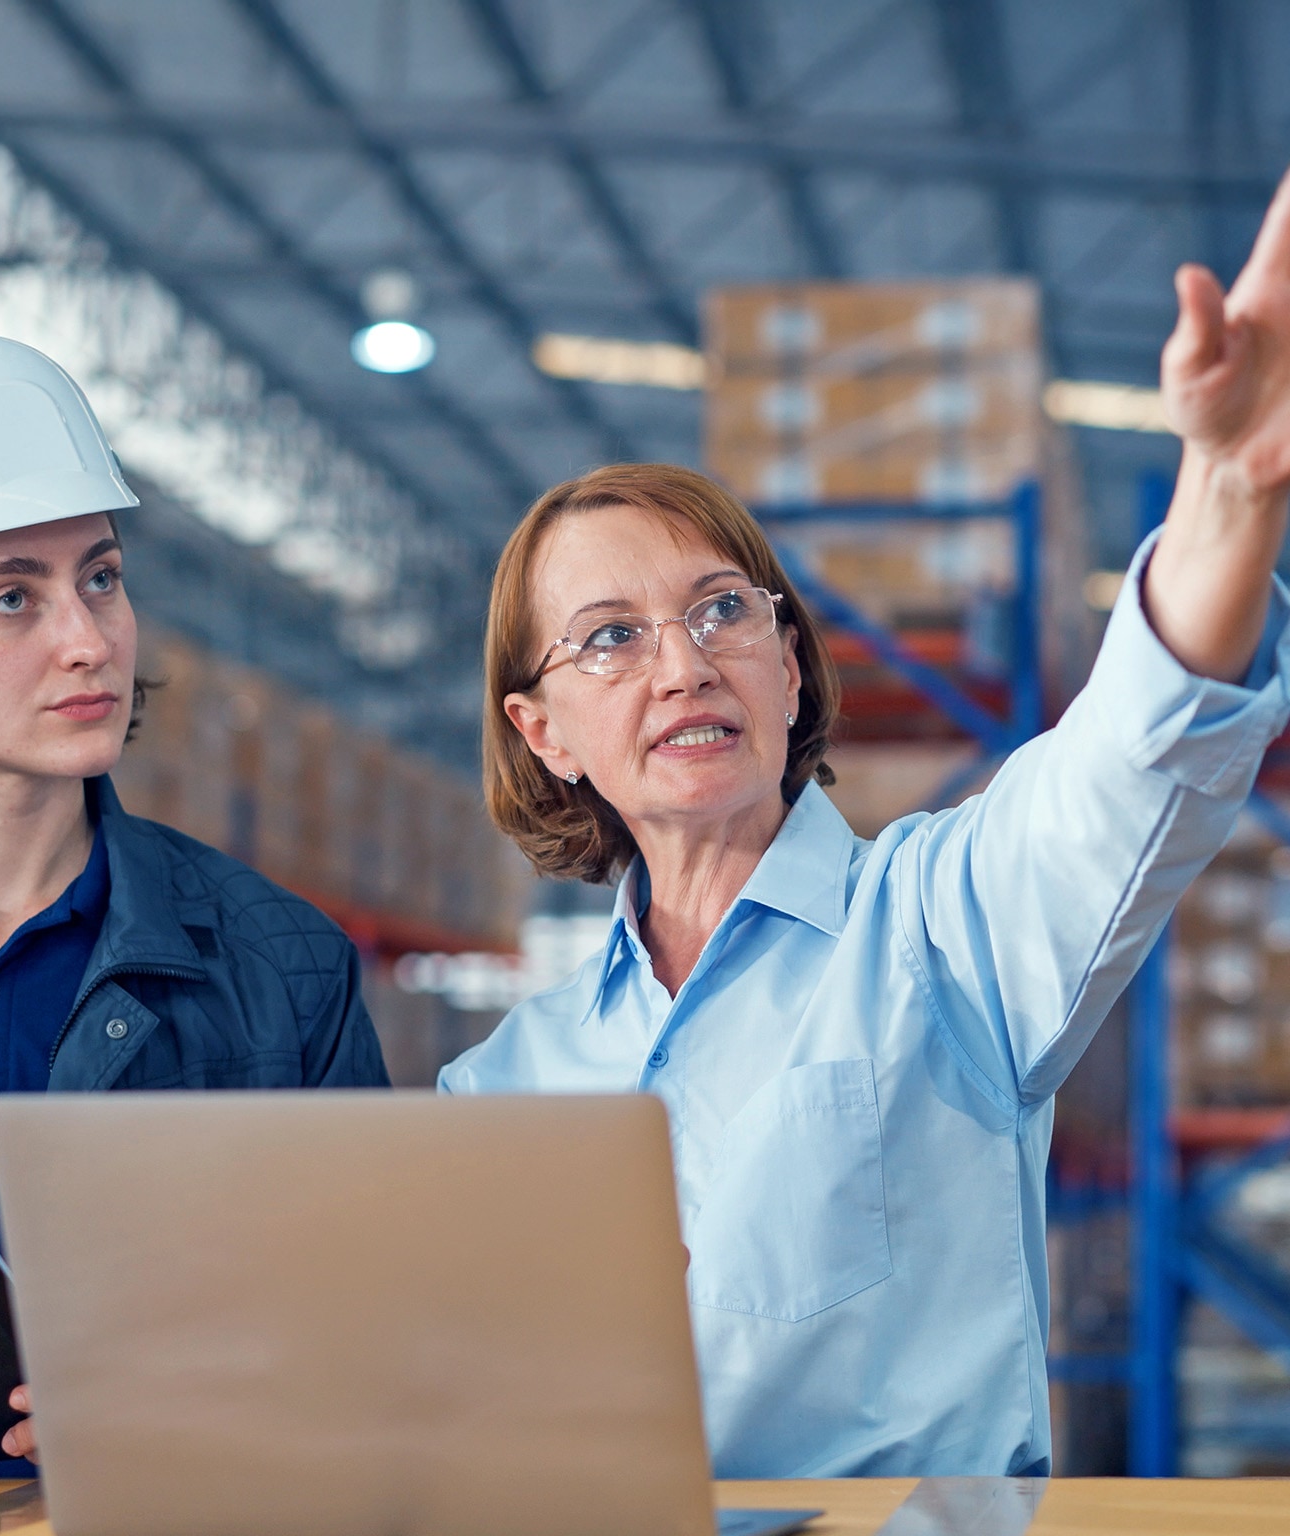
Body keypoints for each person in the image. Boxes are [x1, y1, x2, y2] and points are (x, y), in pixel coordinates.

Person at [440, 179, 1290, 1476]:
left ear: (789, 666)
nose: (683, 665)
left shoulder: (947, 924)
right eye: (611, 638)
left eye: (724, 610)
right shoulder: (501, 1088)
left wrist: (1228, 487)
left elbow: (1133, 755)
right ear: (541, 731)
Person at [0, 334, 389, 1490]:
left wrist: (235, 1405)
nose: (91, 640)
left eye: (100, 576)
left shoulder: (283, 965)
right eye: (12, 598)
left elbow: (380, 1347)